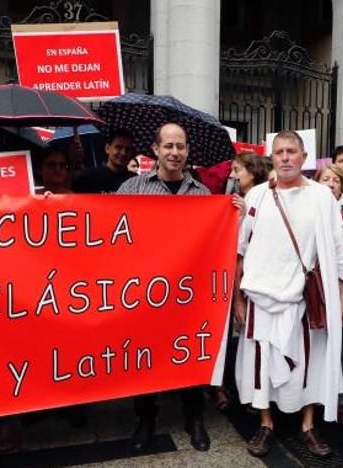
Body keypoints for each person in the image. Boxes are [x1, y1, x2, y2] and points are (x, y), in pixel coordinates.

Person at [233, 130, 343, 458]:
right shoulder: (257, 196)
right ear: (271, 158)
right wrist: (238, 298)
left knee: (308, 361)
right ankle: (266, 423)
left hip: (304, 297)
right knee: (261, 362)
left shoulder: (321, 196)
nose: (285, 157)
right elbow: (241, 249)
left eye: (291, 151)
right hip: (261, 295)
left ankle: (307, 424)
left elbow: (335, 248)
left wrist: (342, 294)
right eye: (279, 152)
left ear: (304, 158)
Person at [117, 122, 213, 452]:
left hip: (189, 295)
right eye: (168, 146)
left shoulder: (201, 194)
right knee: (145, 361)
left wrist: (233, 212)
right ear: (155, 149)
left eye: (181, 147)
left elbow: (213, 241)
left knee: (190, 356)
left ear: (188, 152)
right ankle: (145, 419)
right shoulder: (132, 188)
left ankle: (194, 417)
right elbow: (107, 230)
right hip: (144, 294)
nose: (175, 152)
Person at [73, 128, 136, 193]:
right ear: (107, 148)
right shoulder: (88, 178)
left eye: (128, 149)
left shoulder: (136, 181)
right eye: (118, 147)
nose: (123, 153)